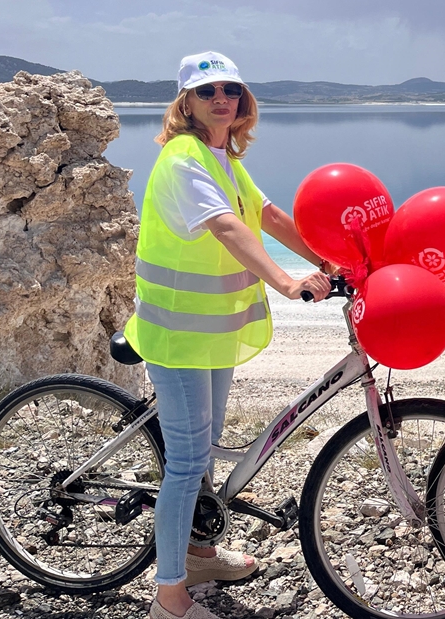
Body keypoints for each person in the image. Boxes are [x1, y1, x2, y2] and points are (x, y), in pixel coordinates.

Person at [123, 52, 332, 619]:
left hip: (210, 333)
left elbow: (265, 215)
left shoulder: (223, 159)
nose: (221, 98)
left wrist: (332, 262)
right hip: (177, 337)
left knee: (206, 443)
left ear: (242, 102)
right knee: (189, 462)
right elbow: (225, 225)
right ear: (186, 102)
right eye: (207, 90)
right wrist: (289, 283)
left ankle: (199, 555)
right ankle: (169, 598)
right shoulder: (183, 158)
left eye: (231, 90)